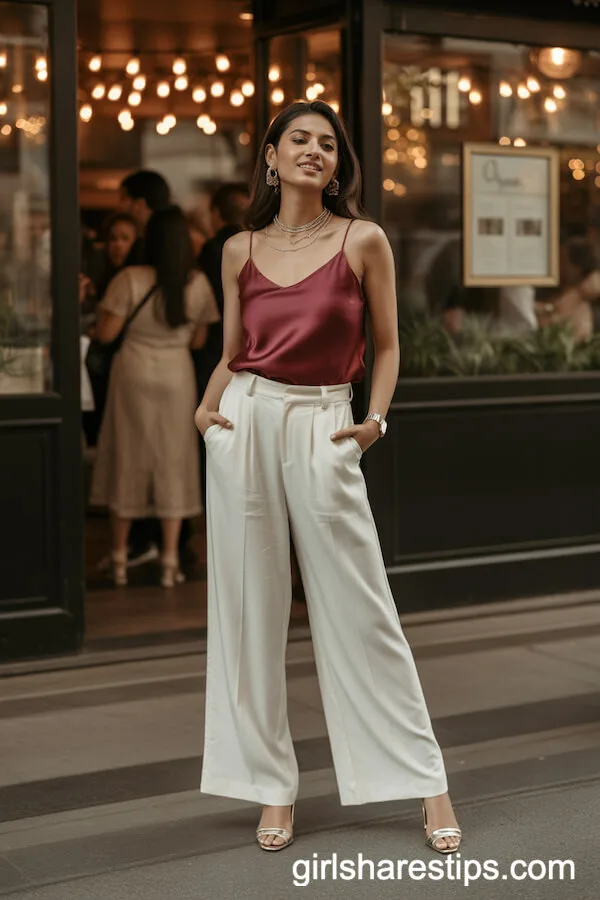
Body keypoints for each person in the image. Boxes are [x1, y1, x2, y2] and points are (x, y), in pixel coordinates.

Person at [194, 100, 462, 854]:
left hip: (324, 421)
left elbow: (387, 345)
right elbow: (232, 347)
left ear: (338, 166)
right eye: (298, 140)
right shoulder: (238, 248)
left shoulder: (361, 239)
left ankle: (425, 776)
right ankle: (270, 786)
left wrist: (375, 421)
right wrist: (205, 410)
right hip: (244, 419)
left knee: (360, 603)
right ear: (271, 159)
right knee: (249, 609)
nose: (314, 151)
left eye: (327, 144)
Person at [90, 205, 220, 587]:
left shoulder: (129, 278)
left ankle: (116, 558)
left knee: (126, 454)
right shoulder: (197, 284)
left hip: (132, 373)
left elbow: (108, 334)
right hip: (176, 375)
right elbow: (198, 339)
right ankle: (168, 562)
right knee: (173, 459)